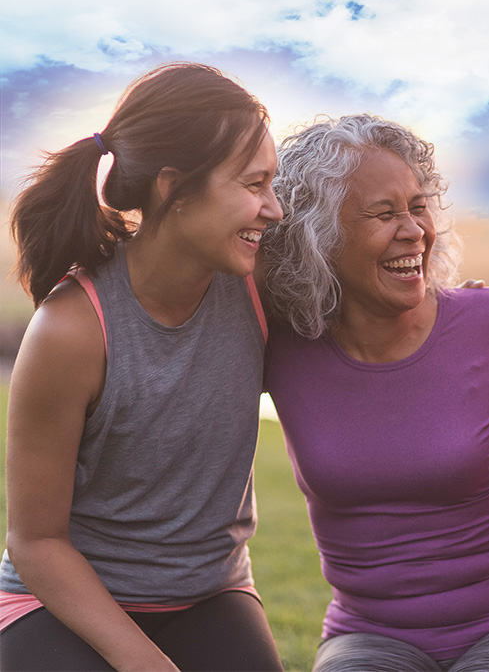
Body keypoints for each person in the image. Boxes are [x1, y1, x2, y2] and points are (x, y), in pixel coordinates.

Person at [259, 114, 489, 672]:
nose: (414, 230)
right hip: (367, 633)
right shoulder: (280, 345)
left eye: (417, 205)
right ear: (318, 237)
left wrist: (479, 513)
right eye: (384, 214)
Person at [2, 63, 284, 671]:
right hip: (59, 603)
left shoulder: (261, 289)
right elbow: (36, 542)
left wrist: (477, 305)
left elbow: (378, 320)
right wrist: (142, 661)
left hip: (210, 594)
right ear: (171, 187)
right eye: (254, 183)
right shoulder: (72, 331)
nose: (274, 209)